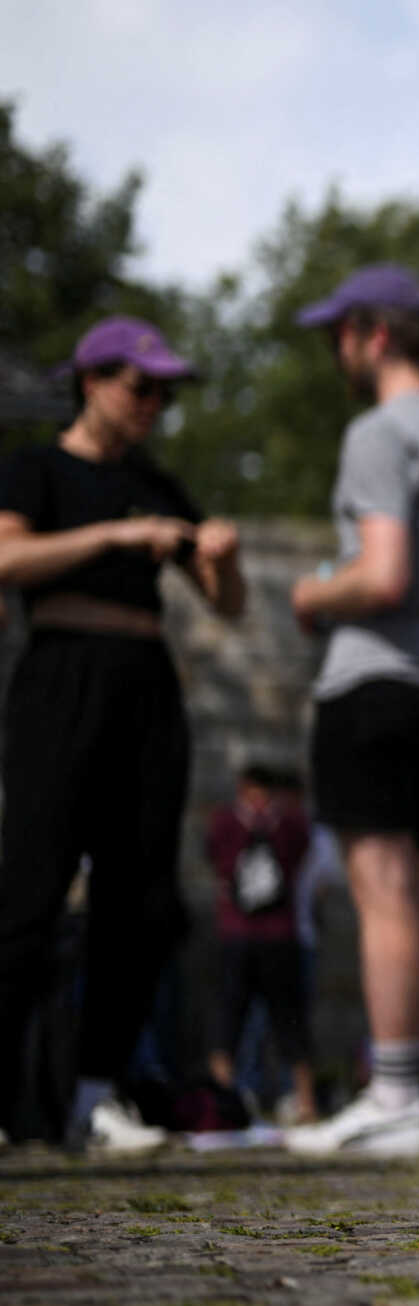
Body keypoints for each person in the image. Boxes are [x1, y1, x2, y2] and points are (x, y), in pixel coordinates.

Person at [0, 317, 245, 1151]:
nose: (153, 404)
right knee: (30, 892)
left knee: (142, 900)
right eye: (142, 387)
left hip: (146, 693)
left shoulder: (156, 481)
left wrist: (224, 556)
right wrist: (115, 534)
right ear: (91, 381)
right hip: (61, 680)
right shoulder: (36, 468)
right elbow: (6, 560)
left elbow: (228, 602)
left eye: (164, 392)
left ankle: (96, 1092)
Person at [281, 265, 419, 1158]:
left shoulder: (379, 433)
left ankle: (395, 1097)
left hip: (376, 686)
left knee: (380, 894)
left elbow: (382, 575)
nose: (337, 350)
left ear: (374, 336)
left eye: (340, 332)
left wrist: (310, 592)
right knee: (411, 892)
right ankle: (408, 1083)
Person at [205, 763, 320, 1124]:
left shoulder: (289, 825)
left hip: (277, 935)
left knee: (290, 1018)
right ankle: (221, 1096)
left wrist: (272, 825)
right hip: (237, 934)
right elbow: (215, 856)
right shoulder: (225, 822)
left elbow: (300, 850)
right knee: (229, 1015)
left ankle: (305, 1101)